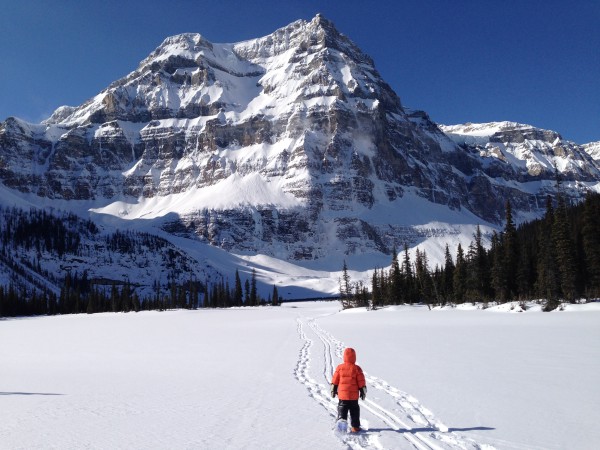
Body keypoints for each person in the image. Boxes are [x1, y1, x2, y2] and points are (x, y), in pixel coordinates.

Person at [330, 347, 367, 433]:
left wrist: (333, 389)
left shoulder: (340, 368)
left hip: (343, 396)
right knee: (354, 411)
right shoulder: (357, 368)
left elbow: (335, 380)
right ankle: (355, 427)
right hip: (354, 397)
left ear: (344, 357)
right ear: (354, 357)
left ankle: (342, 425)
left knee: (342, 408)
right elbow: (361, 382)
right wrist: (363, 391)